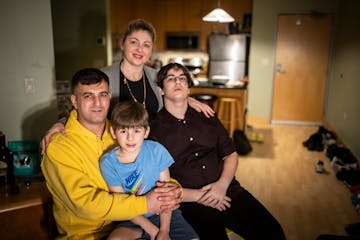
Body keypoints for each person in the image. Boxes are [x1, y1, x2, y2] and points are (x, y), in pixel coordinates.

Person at [149, 63, 287, 240]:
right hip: (190, 202)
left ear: (189, 89)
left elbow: (230, 154)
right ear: (161, 90)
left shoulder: (207, 116)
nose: (178, 81)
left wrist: (222, 185)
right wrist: (202, 196)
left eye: (182, 78)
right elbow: (159, 182)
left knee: (273, 232)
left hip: (228, 190)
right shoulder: (154, 129)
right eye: (171, 78)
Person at [41, 68, 182, 240]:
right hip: (88, 235)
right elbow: (84, 205)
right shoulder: (59, 147)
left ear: (109, 96)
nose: (97, 103)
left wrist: (171, 189)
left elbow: (149, 165)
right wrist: (146, 203)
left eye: (102, 94)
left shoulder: (121, 131)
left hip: (133, 223)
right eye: (87, 96)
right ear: (74, 101)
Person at [40, 19, 213, 153]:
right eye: (134, 42)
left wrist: (189, 100)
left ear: (151, 50)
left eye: (146, 45)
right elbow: (84, 107)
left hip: (154, 150)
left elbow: (174, 93)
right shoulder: (104, 77)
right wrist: (60, 123)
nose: (140, 49)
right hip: (118, 152)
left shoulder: (156, 77)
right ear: (122, 44)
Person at [100, 101, 198, 240]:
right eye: (123, 131)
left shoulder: (156, 150)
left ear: (146, 132)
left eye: (137, 131)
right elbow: (122, 203)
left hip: (164, 214)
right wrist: (153, 231)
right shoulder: (108, 163)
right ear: (113, 132)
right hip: (133, 218)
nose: (130, 138)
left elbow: (167, 194)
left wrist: (164, 231)